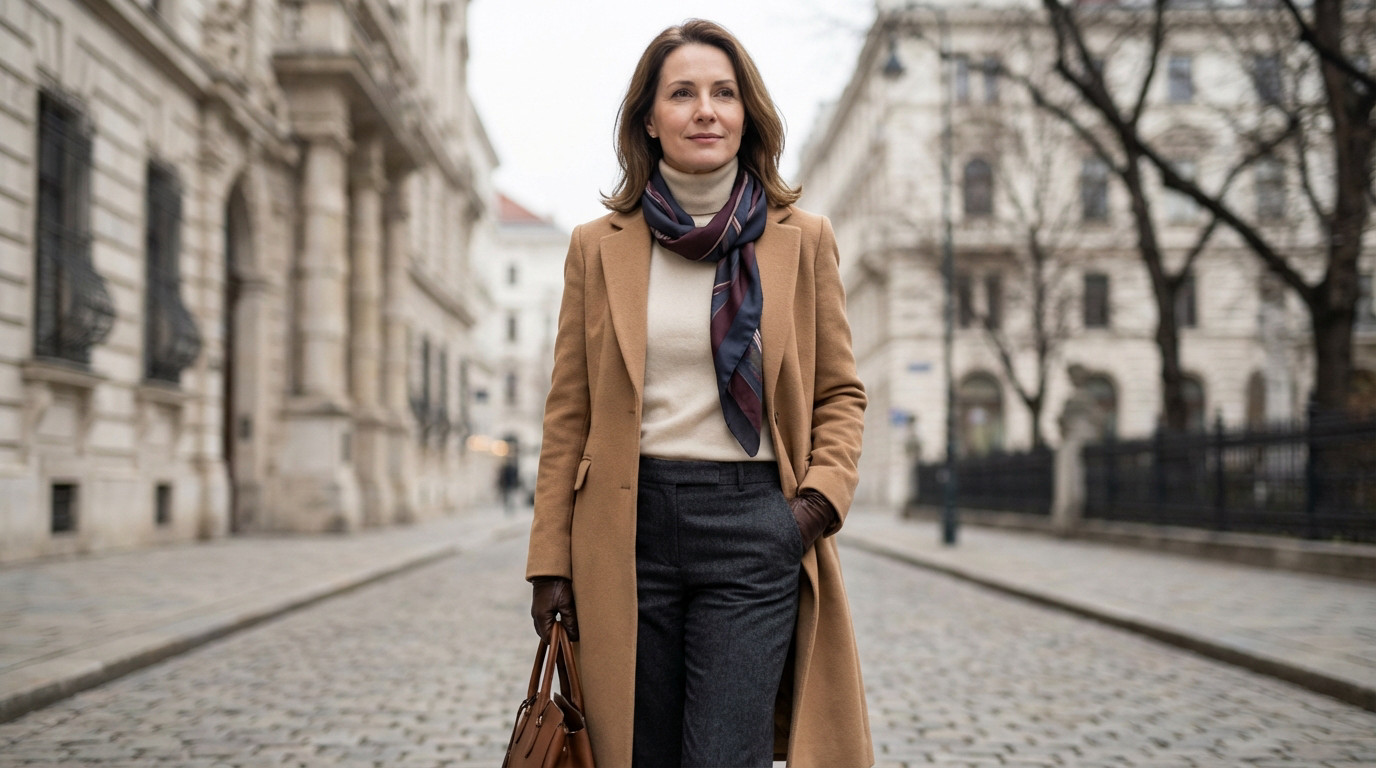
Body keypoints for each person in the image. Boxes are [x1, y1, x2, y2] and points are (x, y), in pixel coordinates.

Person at [525, 19, 872, 768]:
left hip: (755, 524)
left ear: (748, 113)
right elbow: (569, 415)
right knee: (637, 751)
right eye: (682, 94)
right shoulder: (598, 246)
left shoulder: (803, 239)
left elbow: (840, 393)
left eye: (724, 93)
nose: (705, 111)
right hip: (627, 528)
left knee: (723, 754)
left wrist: (812, 509)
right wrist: (550, 560)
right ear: (649, 119)